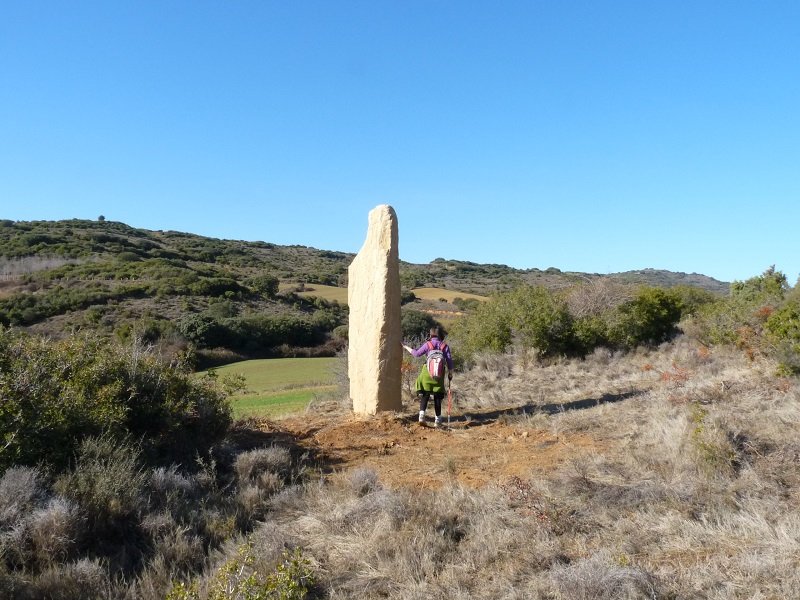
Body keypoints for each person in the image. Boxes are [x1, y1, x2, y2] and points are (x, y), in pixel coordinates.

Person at [402, 327, 454, 427]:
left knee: (425, 394)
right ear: (440, 335)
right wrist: (450, 374)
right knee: (437, 396)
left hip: (427, 373)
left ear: (430, 335)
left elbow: (416, 354)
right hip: (439, 374)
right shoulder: (444, 346)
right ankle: (437, 421)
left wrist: (405, 346)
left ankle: (421, 416)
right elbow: (450, 362)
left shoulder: (428, 344)